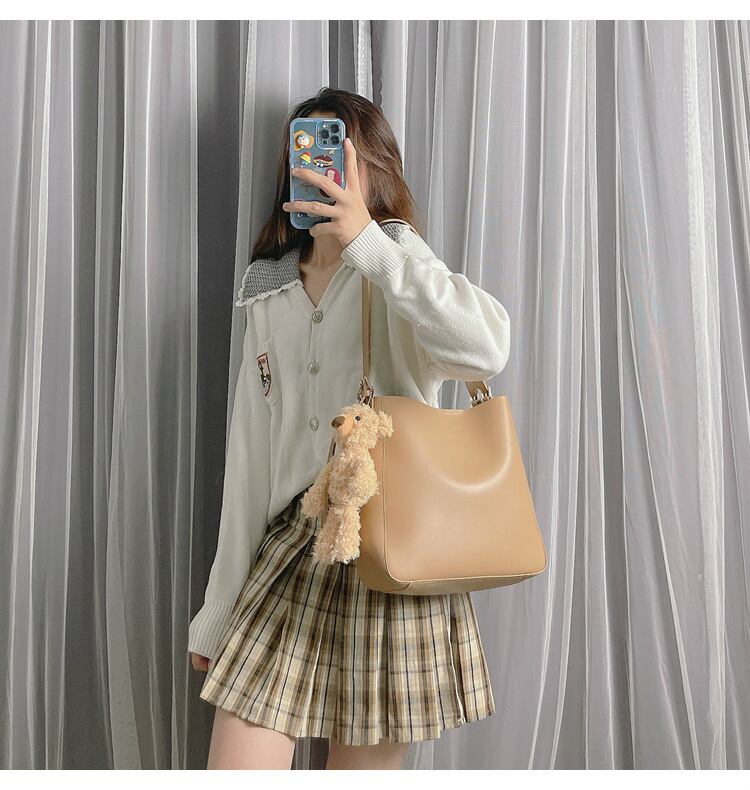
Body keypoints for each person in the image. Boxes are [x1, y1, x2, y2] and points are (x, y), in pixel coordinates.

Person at [188, 87, 511, 770]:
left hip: (393, 553)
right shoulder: (270, 286)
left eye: (336, 152)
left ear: (371, 167)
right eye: (304, 152)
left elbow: (485, 349)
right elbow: (249, 460)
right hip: (291, 553)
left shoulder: (397, 261)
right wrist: (218, 611)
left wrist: (370, 242)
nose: (319, 167)